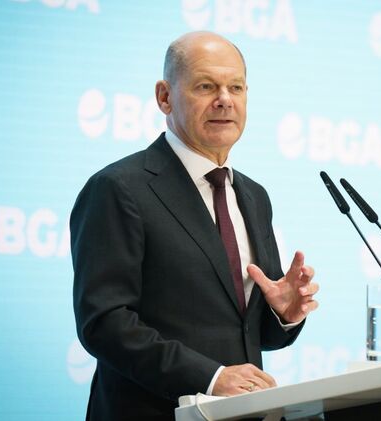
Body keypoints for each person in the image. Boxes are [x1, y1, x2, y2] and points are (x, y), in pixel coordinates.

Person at [70, 31, 319, 420]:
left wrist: (282, 315)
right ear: (164, 97)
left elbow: (249, 335)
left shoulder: (254, 196)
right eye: (206, 86)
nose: (224, 99)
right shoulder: (119, 188)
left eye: (235, 87)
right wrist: (210, 378)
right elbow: (104, 322)